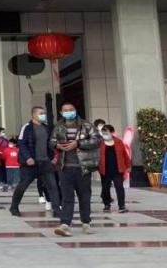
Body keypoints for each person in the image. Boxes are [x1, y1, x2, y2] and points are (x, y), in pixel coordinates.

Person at [51, 102, 100, 237]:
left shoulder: (86, 125)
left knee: (84, 196)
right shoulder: (58, 127)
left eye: (71, 109)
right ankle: (65, 224)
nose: (68, 112)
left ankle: (86, 223)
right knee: (67, 197)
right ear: (61, 113)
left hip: (82, 166)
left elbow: (97, 140)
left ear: (75, 110)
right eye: (65, 110)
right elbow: (51, 141)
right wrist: (57, 146)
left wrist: (78, 144)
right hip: (65, 167)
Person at [9, 106, 60, 218]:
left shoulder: (46, 128)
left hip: (45, 162)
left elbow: (51, 144)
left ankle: (56, 209)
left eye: (44, 113)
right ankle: (14, 207)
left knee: (53, 186)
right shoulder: (27, 127)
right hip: (30, 164)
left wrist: (54, 157)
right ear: (33, 115)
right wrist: (28, 158)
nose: (43, 115)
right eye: (41, 113)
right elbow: (21, 144)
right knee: (23, 186)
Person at [98, 125, 129, 213]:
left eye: (106, 132)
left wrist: (128, 166)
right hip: (105, 170)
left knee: (119, 187)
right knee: (105, 188)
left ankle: (121, 206)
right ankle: (107, 205)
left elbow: (125, 155)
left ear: (112, 132)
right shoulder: (100, 143)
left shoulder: (119, 142)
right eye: (103, 132)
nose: (104, 134)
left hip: (118, 169)